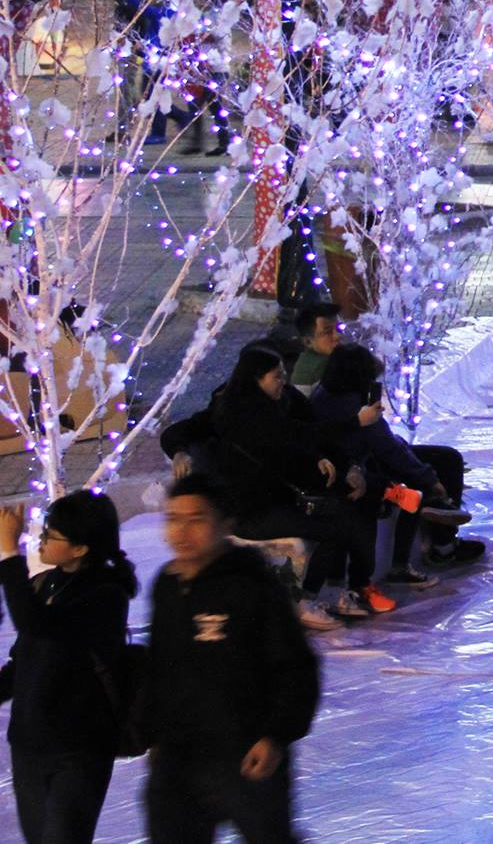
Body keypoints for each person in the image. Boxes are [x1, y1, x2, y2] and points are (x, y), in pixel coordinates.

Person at [145, 474, 321, 844]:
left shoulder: (253, 586)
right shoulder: (166, 585)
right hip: (179, 757)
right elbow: (158, 665)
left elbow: (295, 666)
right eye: (174, 519)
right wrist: (152, 732)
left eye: (196, 519)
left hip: (245, 755)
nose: (182, 531)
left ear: (225, 524)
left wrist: (275, 735)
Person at [208, 343, 383, 624]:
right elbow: (294, 434)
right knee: (333, 528)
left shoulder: (273, 404)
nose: (283, 381)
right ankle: (305, 600)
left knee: (345, 510)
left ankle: (335, 589)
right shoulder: (244, 414)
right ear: (256, 378)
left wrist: (325, 459)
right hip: (249, 512)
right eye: (276, 376)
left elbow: (298, 437)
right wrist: (355, 422)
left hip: (273, 499)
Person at [0, 492, 135, 844]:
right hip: (29, 744)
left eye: (51, 534)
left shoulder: (106, 596)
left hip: (77, 748)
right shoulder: (45, 583)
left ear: (80, 548)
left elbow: (36, 624)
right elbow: (24, 661)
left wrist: (9, 554)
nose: (41, 539)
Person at [307, 344, 481, 581]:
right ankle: (435, 546)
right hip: (361, 464)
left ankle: (441, 522)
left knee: (443, 459)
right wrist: (430, 479)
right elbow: (387, 448)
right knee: (424, 477)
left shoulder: (325, 393)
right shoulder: (355, 406)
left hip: (362, 457)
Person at [286, 301, 342, 391]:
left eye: (339, 328)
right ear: (308, 342)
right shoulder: (310, 373)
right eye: (328, 332)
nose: (337, 336)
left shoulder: (335, 357)